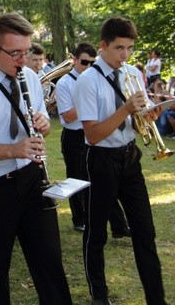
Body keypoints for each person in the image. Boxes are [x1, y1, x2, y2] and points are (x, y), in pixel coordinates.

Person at [0, 12, 72, 304]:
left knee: (49, 262)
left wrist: (42, 123)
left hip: (32, 180)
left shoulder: (30, 77)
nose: (23, 59)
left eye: (27, 51)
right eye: (15, 53)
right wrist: (12, 150)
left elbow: (36, 120)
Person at [74, 16, 168, 305]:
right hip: (101, 159)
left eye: (129, 48)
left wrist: (150, 114)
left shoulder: (132, 73)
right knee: (97, 232)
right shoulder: (87, 80)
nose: (125, 55)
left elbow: (139, 118)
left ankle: (156, 298)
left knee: (145, 232)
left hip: (130, 156)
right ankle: (99, 295)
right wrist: (127, 109)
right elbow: (93, 135)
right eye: (118, 48)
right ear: (103, 46)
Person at [56, 42, 130, 237]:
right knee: (76, 178)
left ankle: (118, 225)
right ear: (74, 59)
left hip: (96, 133)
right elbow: (68, 116)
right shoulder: (64, 83)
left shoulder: (98, 78)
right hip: (74, 136)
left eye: (91, 62)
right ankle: (78, 219)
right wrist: (88, 100)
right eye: (83, 62)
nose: (87, 66)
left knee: (103, 180)